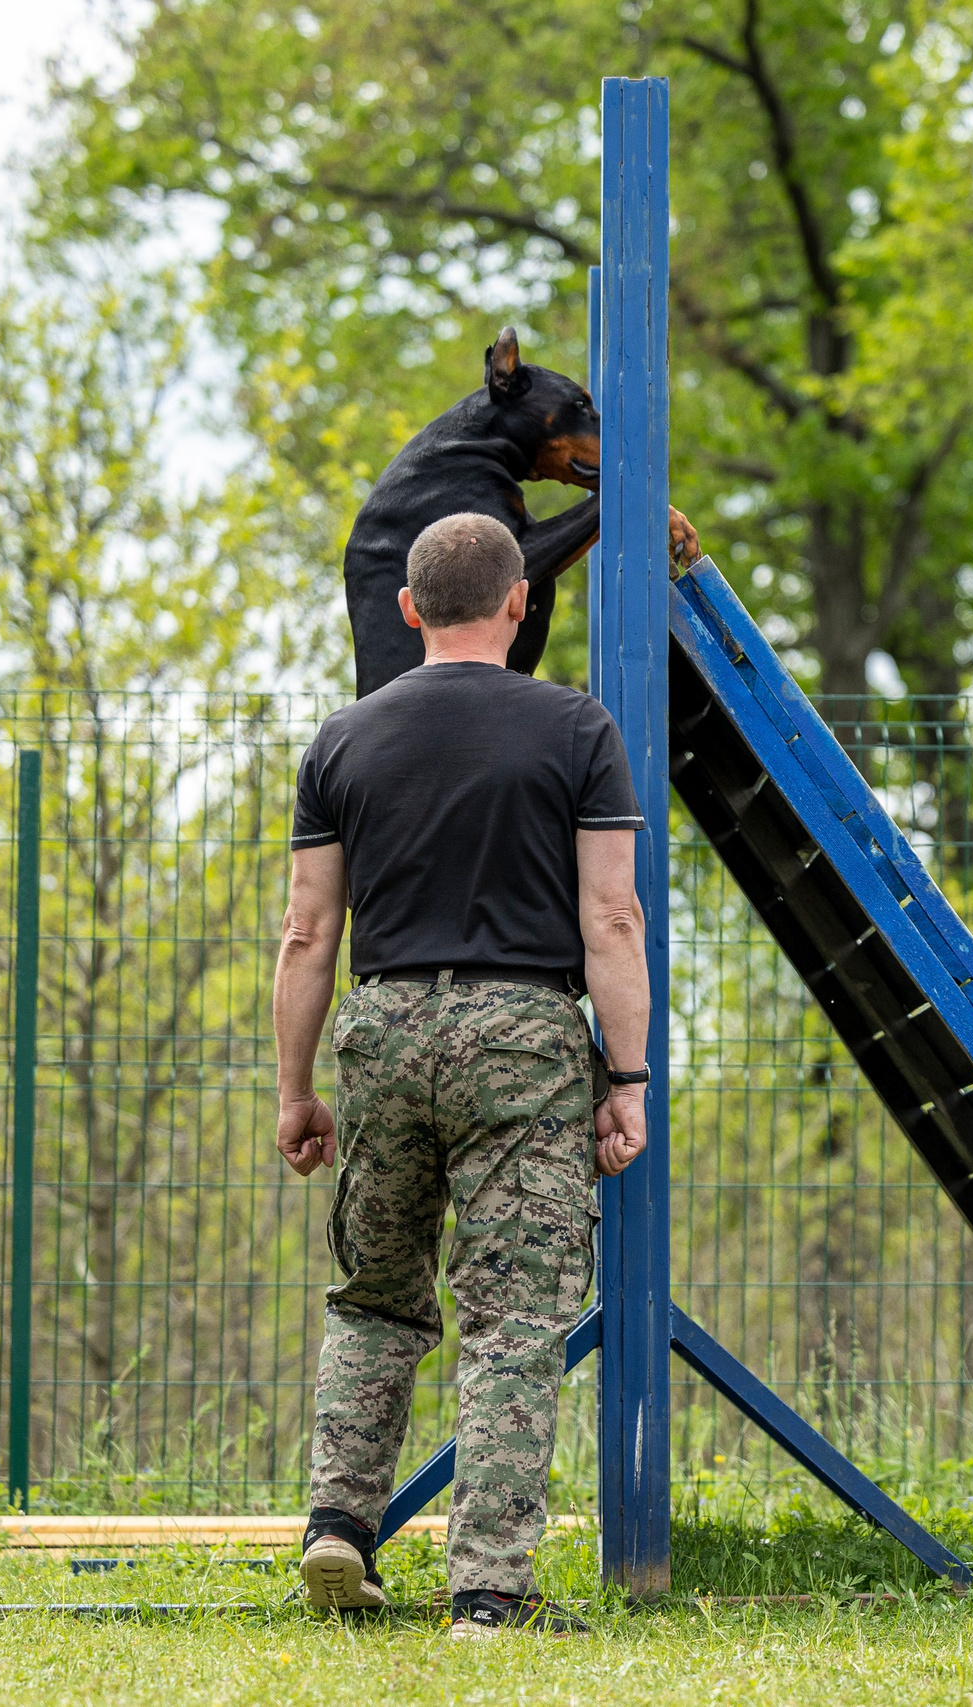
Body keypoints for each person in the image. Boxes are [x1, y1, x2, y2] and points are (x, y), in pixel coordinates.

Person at [271, 512, 654, 1637]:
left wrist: (297, 1090)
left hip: (382, 1027)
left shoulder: (344, 738)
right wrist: (624, 1076)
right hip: (522, 1034)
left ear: (406, 610)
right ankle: (487, 1590)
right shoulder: (577, 730)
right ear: (519, 601)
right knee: (513, 1317)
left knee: (375, 1296)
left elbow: (306, 933)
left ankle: (338, 1526)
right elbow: (611, 915)